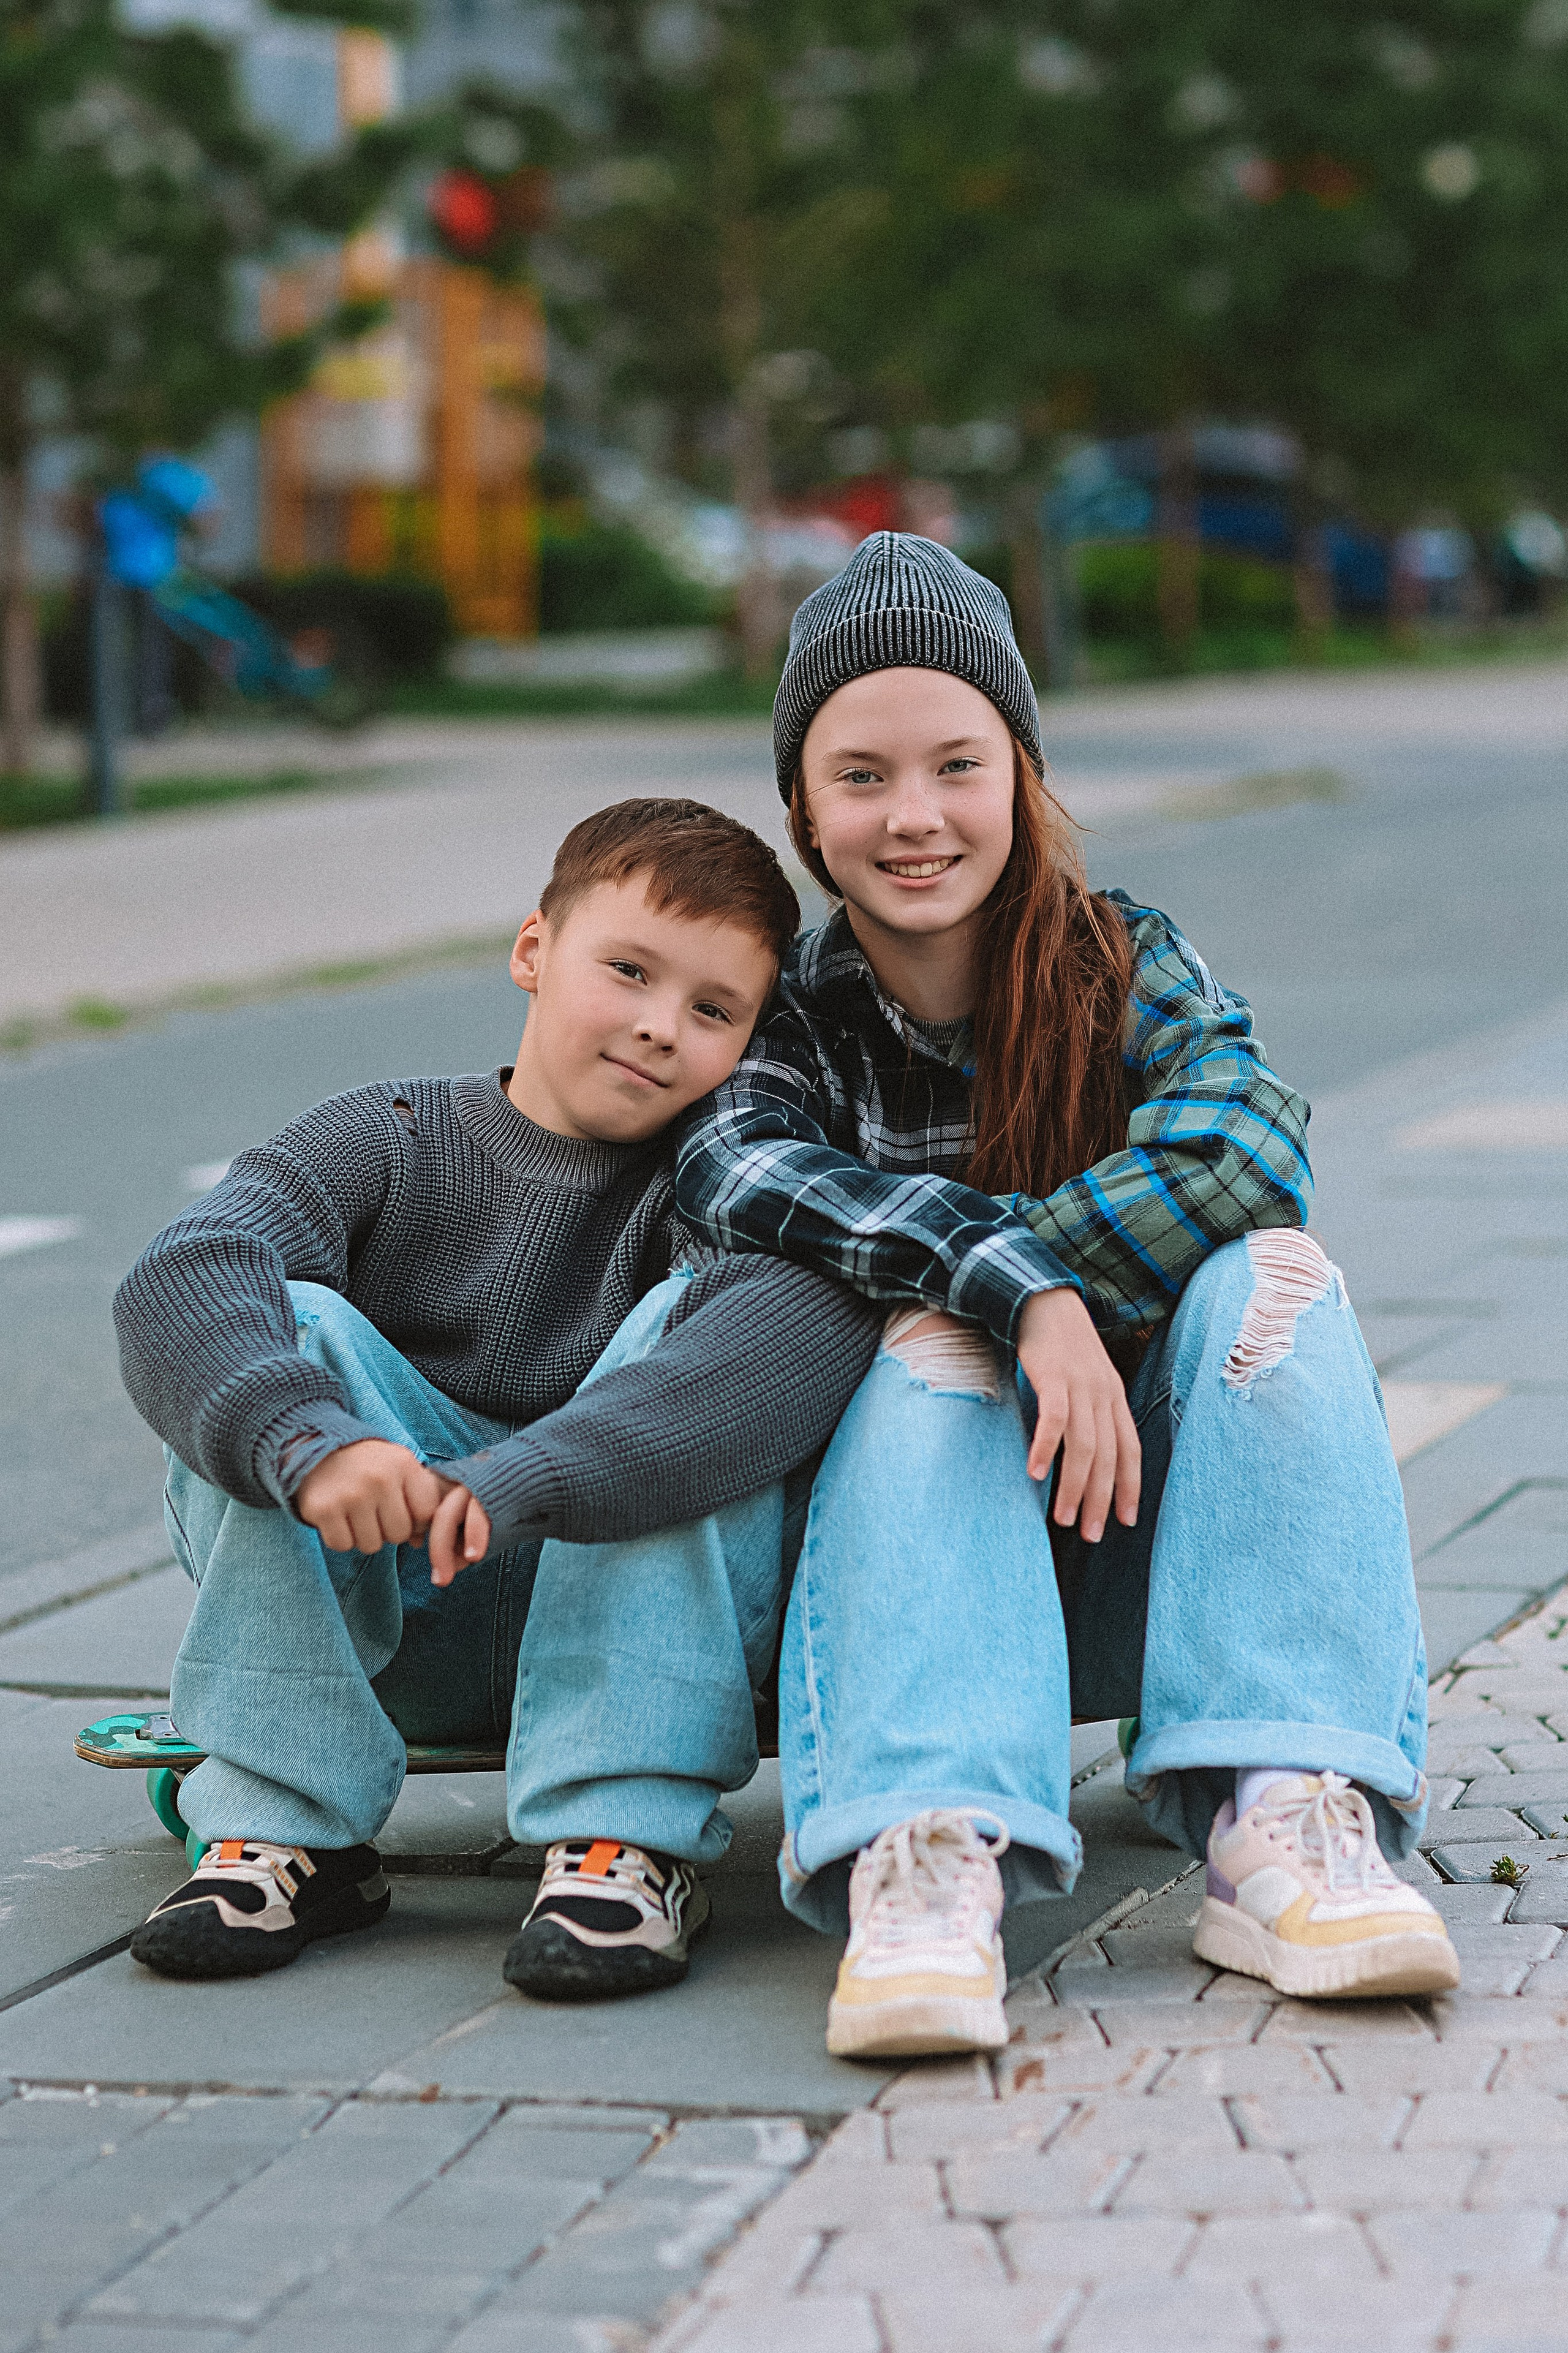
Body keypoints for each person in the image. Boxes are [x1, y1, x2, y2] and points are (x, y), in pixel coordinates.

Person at [665, 532, 1458, 2053]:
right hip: (890, 1582)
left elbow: (1247, 1146)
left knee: (1270, 1272)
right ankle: (927, 1848)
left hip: (1141, 1560)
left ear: (1019, 777)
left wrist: (1035, 1279)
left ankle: (1280, 1806)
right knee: (923, 1339)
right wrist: (1014, 1295)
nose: (913, 817)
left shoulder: (1118, 960)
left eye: (956, 765)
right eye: (861, 777)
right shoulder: (794, 1027)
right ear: (801, 816)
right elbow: (737, 1179)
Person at [113, 799, 881, 1990]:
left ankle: (623, 1843)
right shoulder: (389, 1133)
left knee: (700, 1349)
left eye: (711, 1009)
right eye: (626, 970)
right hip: (386, 1612)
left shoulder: (721, 1185)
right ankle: (281, 1827)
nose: (656, 1026)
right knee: (288, 1323)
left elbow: (784, 1352)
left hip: (628, 1641)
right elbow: (186, 1271)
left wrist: (529, 1473)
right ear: (533, 950)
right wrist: (310, 1441)